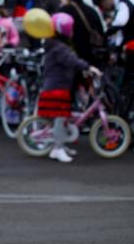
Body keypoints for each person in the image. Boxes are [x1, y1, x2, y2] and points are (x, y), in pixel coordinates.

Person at [38, 13, 101, 163]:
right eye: (71, 28)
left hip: (57, 85)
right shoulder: (60, 48)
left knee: (62, 117)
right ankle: (57, 149)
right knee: (60, 117)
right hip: (57, 87)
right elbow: (72, 60)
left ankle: (60, 144)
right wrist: (89, 67)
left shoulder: (55, 45)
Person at [60, 0, 106, 68]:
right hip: (91, 56)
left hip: (72, 57)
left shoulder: (63, 12)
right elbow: (101, 31)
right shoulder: (92, 11)